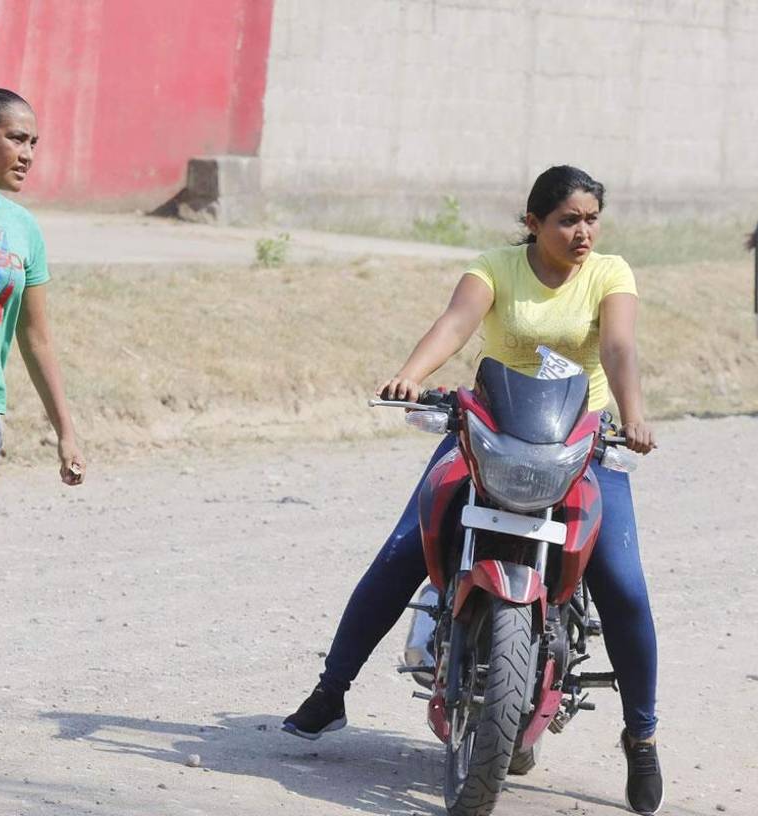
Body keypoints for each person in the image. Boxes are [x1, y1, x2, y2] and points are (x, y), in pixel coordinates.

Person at [283, 165, 664, 815]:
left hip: (580, 442)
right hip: (490, 429)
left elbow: (621, 346)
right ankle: (331, 691)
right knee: (406, 548)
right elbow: (455, 323)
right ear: (533, 223)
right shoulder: (495, 267)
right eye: (568, 219)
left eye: (591, 219)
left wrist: (631, 413)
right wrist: (409, 374)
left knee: (623, 584)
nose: (583, 232)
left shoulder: (611, 273)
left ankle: (643, 734)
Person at [0, 88, 84, 536]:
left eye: (33, 143)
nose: (28, 155)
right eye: (16, 139)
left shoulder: (23, 229)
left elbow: (36, 337)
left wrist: (66, 431)